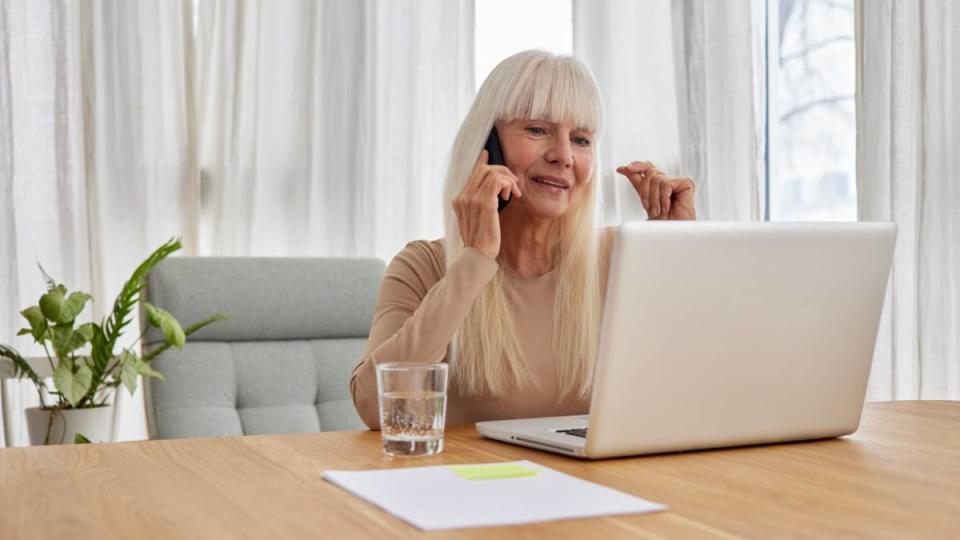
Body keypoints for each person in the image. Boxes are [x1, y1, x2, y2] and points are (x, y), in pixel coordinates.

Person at [350, 50, 696, 429]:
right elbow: (375, 408)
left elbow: (691, 391)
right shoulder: (424, 266)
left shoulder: (619, 258)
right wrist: (475, 259)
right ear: (487, 147)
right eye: (536, 130)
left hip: (594, 485)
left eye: (581, 139)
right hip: (470, 484)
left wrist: (676, 255)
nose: (563, 155)